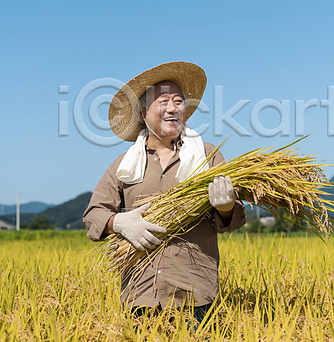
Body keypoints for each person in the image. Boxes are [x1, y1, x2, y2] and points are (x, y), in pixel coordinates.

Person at [83, 61, 246, 321]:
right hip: (140, 296)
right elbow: (93, 214)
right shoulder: (124, 165)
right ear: (142, 114)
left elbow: (232, 220)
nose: (173, 108)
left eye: (178, 101)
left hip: (196, 295)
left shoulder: (207, 157)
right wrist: (120, 223)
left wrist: (226, 207)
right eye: (163, 102)